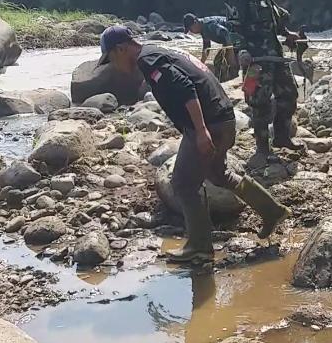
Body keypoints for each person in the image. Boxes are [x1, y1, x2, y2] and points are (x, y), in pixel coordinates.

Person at [98, 25, 289, 264]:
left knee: (183, 183)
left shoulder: (149, 61)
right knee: (219, 174)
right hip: (223, 118)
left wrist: (200, 131)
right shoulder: (156, 51)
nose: (112, 65)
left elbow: (186, 88)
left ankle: (199, 246)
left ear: (121, 48)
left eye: (110, 58)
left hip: (210, 125)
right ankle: (272, 211)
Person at [225, 0, 302, 162]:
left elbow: (274, 18)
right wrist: (241, 51)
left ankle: (281, 137)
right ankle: (262, 149)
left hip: (274, 53)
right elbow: (233, 25)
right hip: (255, 58)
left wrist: (287, 34)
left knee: (289, 94)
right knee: (259, 102)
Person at [183, 13, 238, 81]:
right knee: (217, 62)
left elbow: (226, 33)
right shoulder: (202, 29)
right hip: (228, 42)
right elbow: (206, 48)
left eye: (191, 29)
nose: (191, 32)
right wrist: (200, 65)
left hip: (236, 35)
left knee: (225, 63)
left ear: (196, 22)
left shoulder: (209, 25)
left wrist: (230, 55)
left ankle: (234, 74)